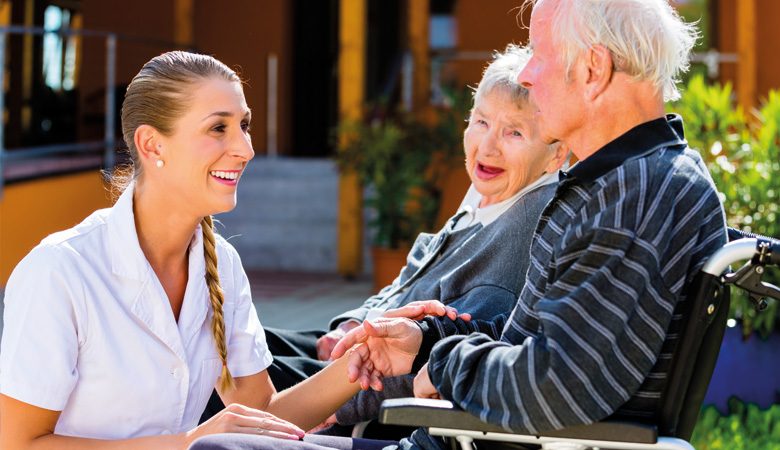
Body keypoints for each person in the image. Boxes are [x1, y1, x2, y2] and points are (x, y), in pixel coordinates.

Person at [321, 0, 728, 449]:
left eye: (539, 53)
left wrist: (444, 364)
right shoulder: (621, 181)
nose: (527, 74)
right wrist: (425, 342)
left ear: (593, 68)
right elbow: (534, 343)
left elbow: (559, 383)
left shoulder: (639, 194)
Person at [0, 51, 391, 450]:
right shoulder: (59, 271)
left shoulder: (222, 264)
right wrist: (189, 442)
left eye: (244, 125)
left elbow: (262, 419)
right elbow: (18, 444)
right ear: (152, 145)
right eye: (219, 128)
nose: (245, 148)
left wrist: (362, 358)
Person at [247, 43, 568, 429]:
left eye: (513, 132)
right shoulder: (491, 194)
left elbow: (445, 357)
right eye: (480, 122)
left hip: (367, 386)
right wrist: (352, 322)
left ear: (556, 154)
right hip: (358, 349)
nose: (487, 146)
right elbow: (406, 283)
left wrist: (336, 410)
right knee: (234, 346)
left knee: (225, 375)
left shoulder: (527, 222)